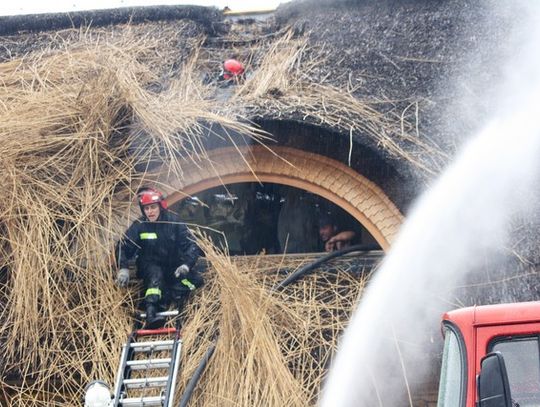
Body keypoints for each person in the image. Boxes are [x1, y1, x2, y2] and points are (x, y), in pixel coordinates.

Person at [116, 187, 202, 328]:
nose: (150, 212)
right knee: (156, 277)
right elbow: (122, 247)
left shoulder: (174, 222)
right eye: (146, 209)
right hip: (150, 266)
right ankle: (151, 311)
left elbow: (191, 245)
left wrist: (186, 265)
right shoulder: (139, 226)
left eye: (153, 208)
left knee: (195, 281)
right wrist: (123, 268)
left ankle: (168, 294)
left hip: (173, 267)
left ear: (160, 207)